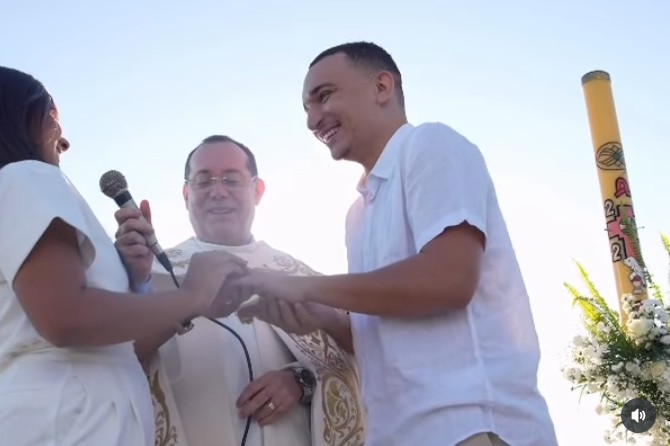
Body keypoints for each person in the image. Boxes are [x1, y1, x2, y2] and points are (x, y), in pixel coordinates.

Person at [234, 42, 559, 446]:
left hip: (467, 427)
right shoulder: (357, 215)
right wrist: (324, 318)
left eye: (325, 95)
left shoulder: (431, 145)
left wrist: (303, 285)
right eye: (306, 108)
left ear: (383, 86)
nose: (313, 120)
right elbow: (379, 338)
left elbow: (449, 281)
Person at [0, 65, 250, 446]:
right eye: (53, 117)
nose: (65, 141)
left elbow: (97, 333)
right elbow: (66, 318)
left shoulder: (4, 193)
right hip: (69, 416)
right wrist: (193, 294)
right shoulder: (25, 177)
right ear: (16, 118)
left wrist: (134, 277)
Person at [113, 135, 365, 446]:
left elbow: (357, 361)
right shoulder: (151, 275)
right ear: (185, 192)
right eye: (204, 181)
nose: (218, 192)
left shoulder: (299, 277)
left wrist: (302, 381)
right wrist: (175, 296)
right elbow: (110, 361)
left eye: (231, 180)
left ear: (257, 190)